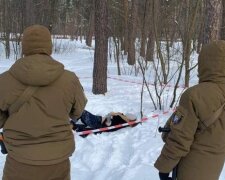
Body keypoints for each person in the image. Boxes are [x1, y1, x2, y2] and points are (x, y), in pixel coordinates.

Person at [0, 25, 87, 180]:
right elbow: (77, 112)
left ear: (24, 47)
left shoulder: (4, 81)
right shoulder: (69, 80)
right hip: (57, 162)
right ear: (49, 46)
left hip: (18, 161)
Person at [155, 40, 225, 180]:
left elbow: (179, 138)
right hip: (215, 166)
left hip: (190, 168)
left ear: (205, 62)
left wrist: (164, 167)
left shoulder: (195, 95)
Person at [71, 110, 137, 132]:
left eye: (125, 116)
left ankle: (71, 125)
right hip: (98, 119)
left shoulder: (121, 123)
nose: (124, 115)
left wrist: (110, 114)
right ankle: (71, 124)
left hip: (98, 123)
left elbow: (108, 124)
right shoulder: (121, 117)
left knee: (82, 112)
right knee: (80, 113)